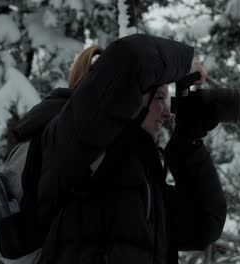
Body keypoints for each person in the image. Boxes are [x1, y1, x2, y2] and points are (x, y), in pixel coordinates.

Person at [12, 34, 227, 264]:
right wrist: (186, 62)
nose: (167, 113)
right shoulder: (72, 146)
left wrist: (188, 143)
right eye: (159, 98)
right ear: (129, 101)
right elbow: (132, 57)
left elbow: (204, 224)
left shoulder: (138, 177)